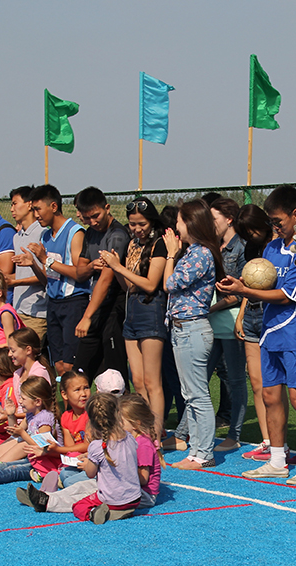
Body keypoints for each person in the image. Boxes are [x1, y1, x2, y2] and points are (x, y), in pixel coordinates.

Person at [218, 186, 296, 484]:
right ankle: (278, 459)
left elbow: (289, 296)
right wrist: (240, 283)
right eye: (272, 222)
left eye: (278, 221)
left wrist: (244, 291)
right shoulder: (273, 248)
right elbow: (260, 282)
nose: (274, 227)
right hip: (270, 331)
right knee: (269, 395)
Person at [99, 196, 169, 440]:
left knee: (152, 381)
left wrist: (118, 267)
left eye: (142, 224)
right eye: (132, 224)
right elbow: (129, 284)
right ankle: (144, 430)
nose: (137, 229)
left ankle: (156, 433)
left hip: (152, 313)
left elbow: (150, 284)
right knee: (137, 381)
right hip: (132, 313)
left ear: (152, 221)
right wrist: (115, 266)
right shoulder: (132, 245)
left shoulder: (159, 244)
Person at [164, 199, 225, 470]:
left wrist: (170, 254)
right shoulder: (193, 253)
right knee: (191, 393)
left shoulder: (200, 254)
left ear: (190, 223)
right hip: (183, 329)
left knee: (198, 394)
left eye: (178, 221)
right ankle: (197, 449)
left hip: (192, 329)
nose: (175, 227)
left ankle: (203, 453)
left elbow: (170, 284)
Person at [29, 393, 141, 524]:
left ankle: (91, 512)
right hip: (134, 498)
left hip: (113, 499)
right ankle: (48, 497)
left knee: (79, 505)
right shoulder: (129, 437)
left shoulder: (97, 446)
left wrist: (88, 463)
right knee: (83, 486)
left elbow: (90, 473)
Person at [27, 184, 90, 376]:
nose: (36, 215)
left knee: (72, 366)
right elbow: (49, 278)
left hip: (73, 303)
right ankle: (66, 406)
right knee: (59, 365)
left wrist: (46, 260)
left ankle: (81, 405)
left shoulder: (75, 232)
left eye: (38, 209)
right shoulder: (45, 235)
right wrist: (33, 263)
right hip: (53, 304)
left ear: (53, 207)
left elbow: (80, 273)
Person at [72, 187, 131, 382]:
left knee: (115, 374)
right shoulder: (90, 233)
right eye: (87, 218)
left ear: (107, 208)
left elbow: (107, 279)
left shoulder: (118, 235)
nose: (93, 222)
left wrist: (87, 316)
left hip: (114, 305)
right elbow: (80, 271)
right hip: (96, 305)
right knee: (81, 369)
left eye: (96, 216)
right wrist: (90, 266)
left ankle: (121, 412)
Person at [206, 197, 248, 453]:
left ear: (229, 219)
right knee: (199, 379)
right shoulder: (211, 247)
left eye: (214, 219)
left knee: (235, 381)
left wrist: (212, 307)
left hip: (232, 326)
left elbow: (243, 291)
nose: (210, 225)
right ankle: (188, 430)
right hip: (209, 325)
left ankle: (235, 433)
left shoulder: (241, 248)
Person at [233, 205, 274, 459]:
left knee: (280, 386)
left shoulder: (277, 245)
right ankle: (267, 440)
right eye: (245, 232)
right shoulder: (249, 249)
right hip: (252, 316)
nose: (250, 235)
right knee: (257, 382)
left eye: (252, 229)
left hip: (273, 315)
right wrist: (241, 314)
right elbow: (249, 286)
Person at [8, 186, 48, 340]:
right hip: (19, 309)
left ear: (29, 204)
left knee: (36, 359)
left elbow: (46, 275)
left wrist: (14, 282)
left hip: (36, 312)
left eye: (15, 203)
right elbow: (20, 274)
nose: (12, 209)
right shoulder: (17, 236)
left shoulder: (43, 233)